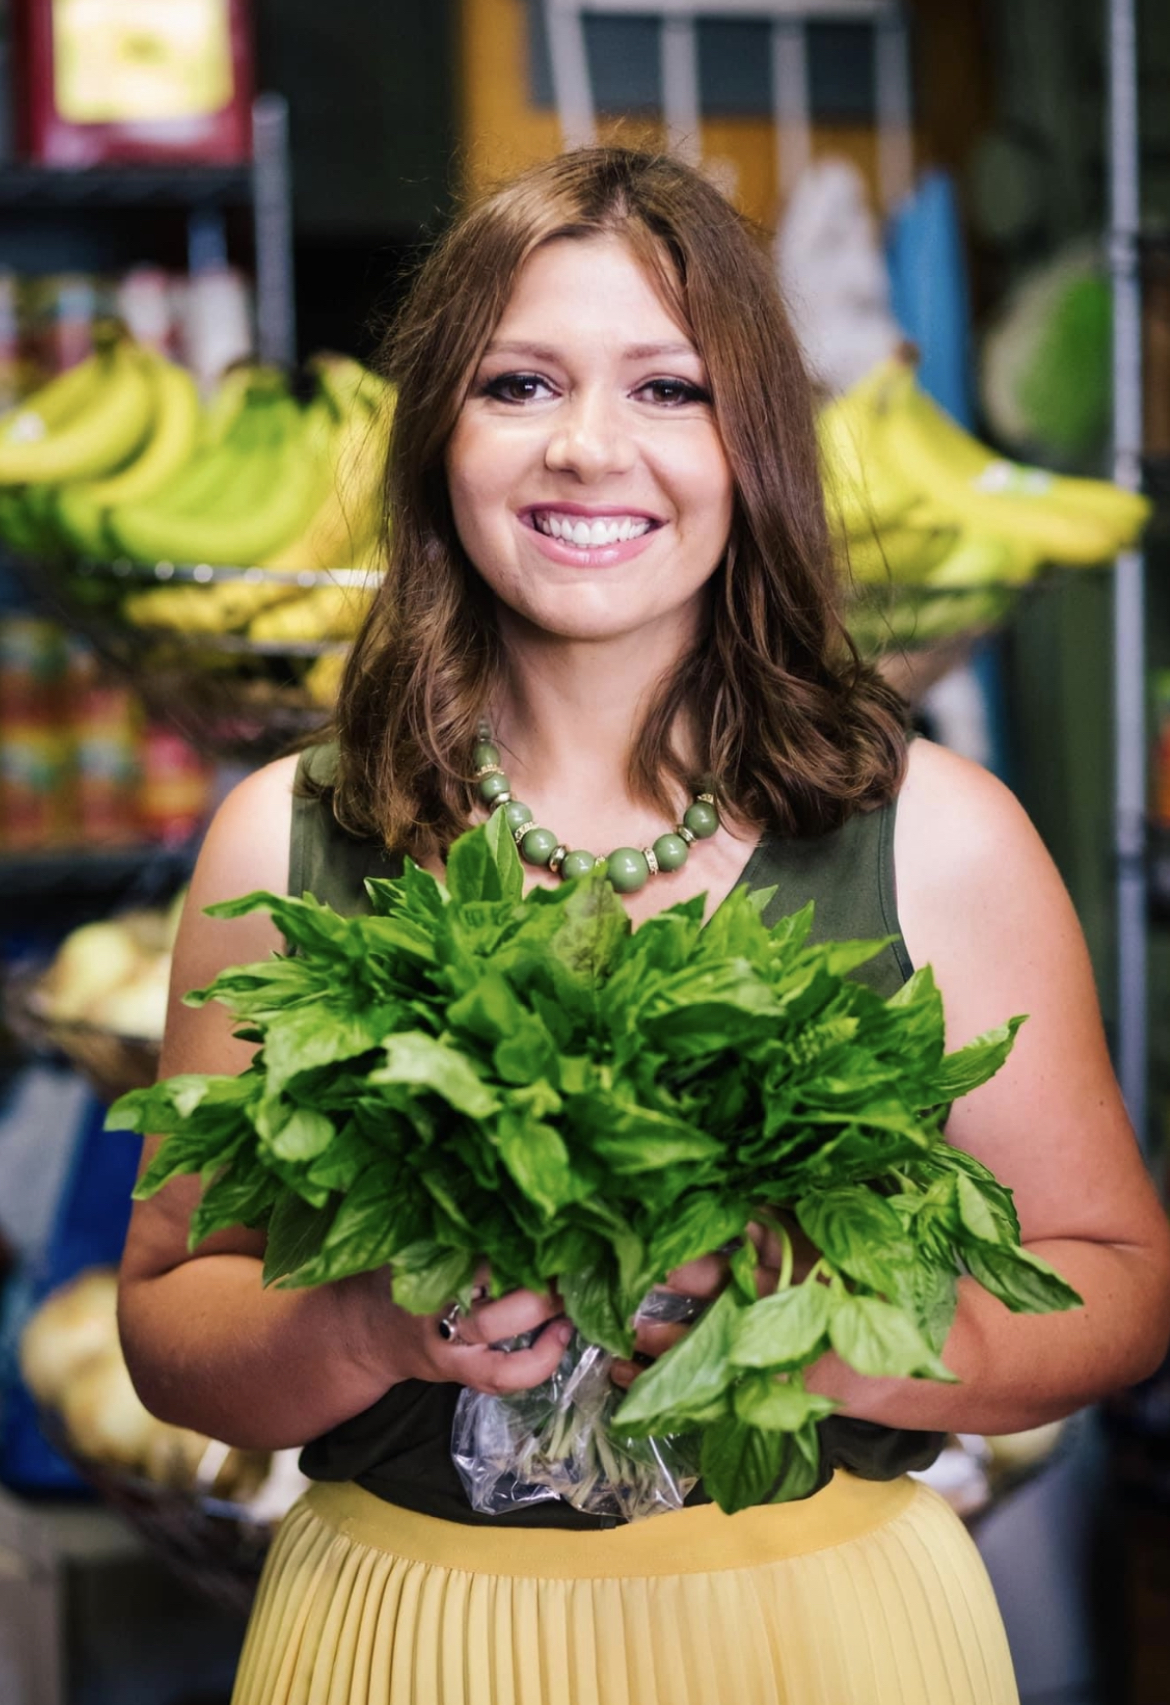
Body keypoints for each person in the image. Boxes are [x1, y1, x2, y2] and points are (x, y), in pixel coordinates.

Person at [118, 148, 1170, 1705]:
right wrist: (371, 1320)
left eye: (668, 389)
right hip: (409, 1638)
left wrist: (849, 1335)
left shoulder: (937, 832)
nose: (588, 449)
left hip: (824, 1637)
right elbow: (166, 1316)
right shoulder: (286, 836)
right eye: (520, 383)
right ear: (437, 438)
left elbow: (1119, 1279)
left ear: (756, 443)